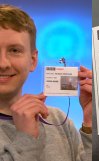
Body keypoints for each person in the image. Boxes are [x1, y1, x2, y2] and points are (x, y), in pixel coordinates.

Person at [0, 4, 92, 161]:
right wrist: (26, 139)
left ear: (33, 60)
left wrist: (90, 122)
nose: (3, 64)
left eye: (15, 50)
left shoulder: (57, 120)